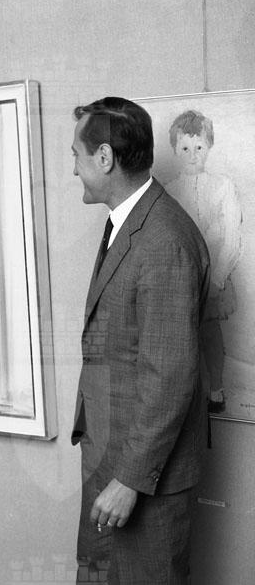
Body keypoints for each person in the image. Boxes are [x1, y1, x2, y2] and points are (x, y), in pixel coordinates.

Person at [70, 97, 210, 584]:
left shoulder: (164, 240)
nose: (74, 168)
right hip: (114, 457)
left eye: (76, 156)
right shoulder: (129, 222)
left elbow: (170, 375)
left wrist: (129, 480)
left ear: (105, 157)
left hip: (144, 478)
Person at [166, 110, 242, 413]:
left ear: (209, 146)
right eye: (185, 148)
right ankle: (186, 394)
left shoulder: (222, 186)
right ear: (175, 150)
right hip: (181, 276)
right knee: (182, 336)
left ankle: (216, 391)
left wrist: (217, 279)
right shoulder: (169, 192)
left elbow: (232, 236)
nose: (193, 155)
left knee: (210, 332)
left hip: (214, 275)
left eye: (199, 147)